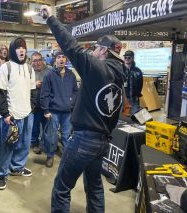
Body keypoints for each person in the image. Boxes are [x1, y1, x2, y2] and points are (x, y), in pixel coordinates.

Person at [40, 5, 126, 213]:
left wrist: (51, 19)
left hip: (84, 140)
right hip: (103, 141)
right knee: (95, 186)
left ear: (104, 51)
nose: (93, 52)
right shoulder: (120, 74)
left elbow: (71, 47)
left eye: (96, 48)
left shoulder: (97, 68)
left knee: (62, 188)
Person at [0, 37, 36, 190]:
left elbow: (33, 91)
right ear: (13, 50)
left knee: (24, 144)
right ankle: (1, 173)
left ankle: (17, 167)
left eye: (24, 47)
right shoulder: (6, 67)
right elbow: (0, 92)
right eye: (18, 47)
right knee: (7, 146)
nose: (21, 50)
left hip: (27, 114)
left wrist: (31, 108)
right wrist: (5, 114)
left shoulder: (30, 68)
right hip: (10, 116)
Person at [40, 50, 78, 167]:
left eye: (63, 57)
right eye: (59, 57)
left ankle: (67, 156)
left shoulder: (71, 75)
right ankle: (50, 155)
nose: (61, 59)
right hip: (53, 111)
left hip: (67, 111)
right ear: (55, 59)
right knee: (52, 135)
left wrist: (72, 103)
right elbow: (44, 94)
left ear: (66, 60)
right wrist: (46, 110)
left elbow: (75, 91)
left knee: (66, 135)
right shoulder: (49, 75)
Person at [30, 52, 50, 155]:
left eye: (39, 60)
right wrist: (33, 84)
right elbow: (22, 85)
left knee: (48, 127)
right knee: (35, 126)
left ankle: (47, 144)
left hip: (47, 106)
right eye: (35, 60)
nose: (37, 63)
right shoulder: (28, 72)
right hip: (34, 105)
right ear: (31, 61)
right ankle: (35, 144)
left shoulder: (49, 71)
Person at [123, 50, 143, 114]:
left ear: (133, 58)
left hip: (134, 99)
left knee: (134, 116)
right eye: (125, 57)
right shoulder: (120, 69)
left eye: (129, 57)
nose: (127, 59)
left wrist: (137, 94)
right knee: (122, 118)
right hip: (122, 99)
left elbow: (140, 84)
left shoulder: (138, 70)